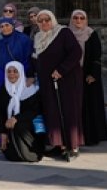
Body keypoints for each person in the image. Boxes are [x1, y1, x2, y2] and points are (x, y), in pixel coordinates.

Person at [33, 10, 84, 161]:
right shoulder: (38, 37)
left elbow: (76, 52)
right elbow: (36, 59)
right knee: (53, 112)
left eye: (47, 19)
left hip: (66, 79)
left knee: (68, 111)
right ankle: (59, 145)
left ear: (52, 19)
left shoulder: (63, 33)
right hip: (47, 82)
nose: (44, 23)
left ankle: (73, 146)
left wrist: (61, 70)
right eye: (40, 20)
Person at [70, 9, 107, 146]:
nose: (78, 20)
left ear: (86, 20)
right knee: (76, 106)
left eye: (81, 18)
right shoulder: (68, 35)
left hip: (88, 76)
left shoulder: (91, 34)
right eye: (75, 18)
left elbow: (97, 56)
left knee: (91, 105)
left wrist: (93, 74)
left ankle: (92, 136)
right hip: (73, 75)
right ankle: (77, 135)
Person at [0, 61, 45, 163]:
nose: (11, 74)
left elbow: (35, 111)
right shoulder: (4, 89)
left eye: (15, 71)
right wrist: (3, 133)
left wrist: (16, 118)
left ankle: (30, 154)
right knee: (13, 125)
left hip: (31, 124)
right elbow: (1, 113)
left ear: (21, 73)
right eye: (9, 71)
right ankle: (14, 151)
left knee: (19, 125)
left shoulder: (31, 89)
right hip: (12, 124)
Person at [0, 16, 34, 83]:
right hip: (5, 77)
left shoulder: (24, 39)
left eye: (7, 25)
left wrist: (28, 75)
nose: (4, 28)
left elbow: (29, 58)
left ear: (12, 26)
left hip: (22, 75)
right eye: (2, 26)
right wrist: (1, 78)